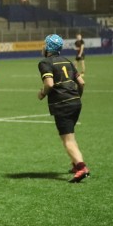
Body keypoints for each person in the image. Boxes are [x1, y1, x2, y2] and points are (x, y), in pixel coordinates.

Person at [38, 34, 89, 183]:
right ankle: (75, 164)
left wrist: (42, 94)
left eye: (44, 44)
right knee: (70, 136)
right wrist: (77, 97)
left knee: (67, 140)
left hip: (62, 104)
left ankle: (81, 167)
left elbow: (49, 84)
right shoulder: (67, 61)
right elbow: (81, 83)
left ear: (48, 47)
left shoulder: (45, 62)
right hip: (75, 103)